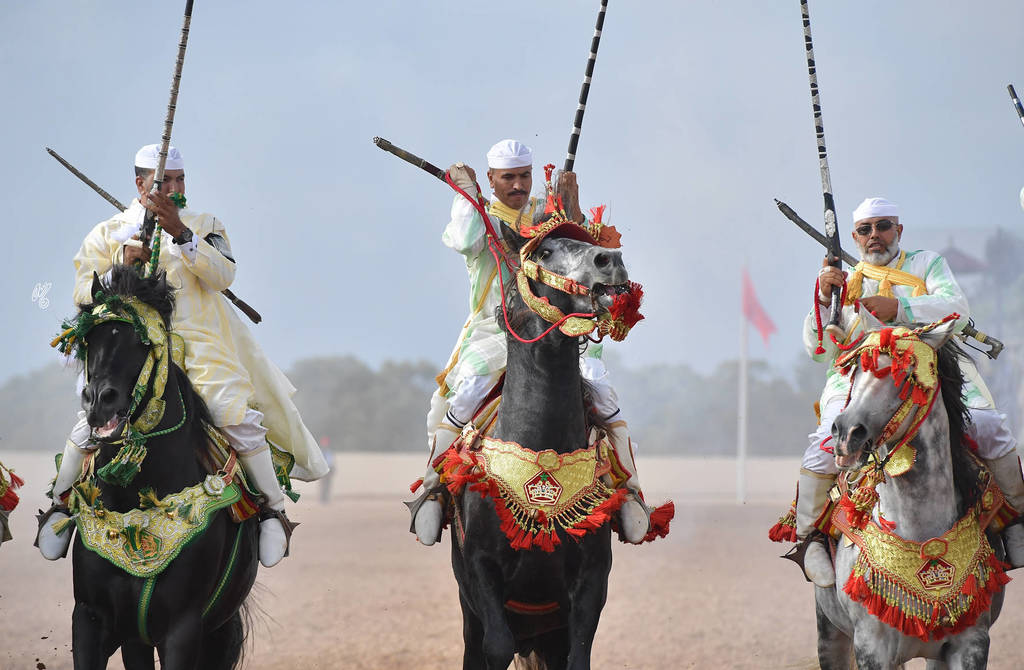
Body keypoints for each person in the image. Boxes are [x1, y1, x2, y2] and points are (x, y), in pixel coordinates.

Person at [37, 144, 329, 568]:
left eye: (179, 180)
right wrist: (120, 264)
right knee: (93, 418)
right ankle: (61, 507)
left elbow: (223, 273)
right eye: (163, 182)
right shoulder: (107, 234)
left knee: (234, 414)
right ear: (141, 185)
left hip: (201, 346)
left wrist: (181, 234)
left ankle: (273, 510)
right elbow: (83, 291)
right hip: (135, 353)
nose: (173, 189)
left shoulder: (204, 224)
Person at [407, 139, 650, 545]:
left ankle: (631, 494)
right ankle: (434, 492)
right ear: (492, 179)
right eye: (508, 178)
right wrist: (468, 196)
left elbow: (585, 255)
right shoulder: (480, 217)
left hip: (560, 328)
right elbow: (466, 239)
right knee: (463, 398)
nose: (517, 185)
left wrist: (571, 205)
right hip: (494, 332)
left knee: (605, 399)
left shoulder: (546, 214)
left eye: (524, 176)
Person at [789, 196, 1024, 587]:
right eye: (865, 230)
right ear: (854, 236)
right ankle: (809, 537)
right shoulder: (840, 281)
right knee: (825, 444)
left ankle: (1015, 520)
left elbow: (956, 311)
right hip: (859, 380)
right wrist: (823, 299)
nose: (874, 236)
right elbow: (819, 352)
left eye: (883, 226)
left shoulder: (926, 263)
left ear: (898, 230)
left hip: (932, 372)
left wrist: (897, 307)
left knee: (988, 428)